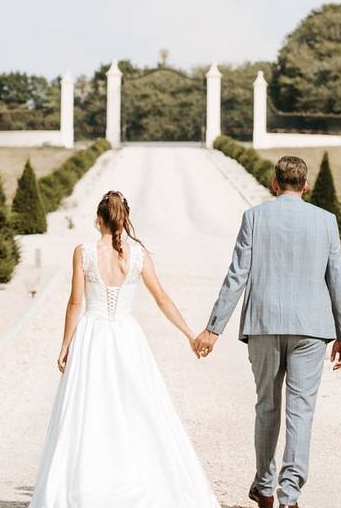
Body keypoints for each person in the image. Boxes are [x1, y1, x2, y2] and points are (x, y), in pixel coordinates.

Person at [29, 191, 219, 508]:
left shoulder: (84, 252)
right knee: (138, 408)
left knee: (89, 411)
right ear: (125, 219)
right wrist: (188, 334)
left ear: (98, 219)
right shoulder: (139, 255)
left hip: (92, 336)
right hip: (128, 337)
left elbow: (76, 302)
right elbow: (162, 298)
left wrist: (65, 344)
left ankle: (91, 482)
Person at [194, 155, 341, 508]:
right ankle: (290, 495)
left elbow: (237, 275)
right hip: (311, 328)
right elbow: (337, 278)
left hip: (264, 324)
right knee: (301, 411)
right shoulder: (326, 222)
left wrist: (212, 328)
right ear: (306, 185)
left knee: (267, 406)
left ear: (274, 183)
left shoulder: (254, 218)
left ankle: (264, 487)